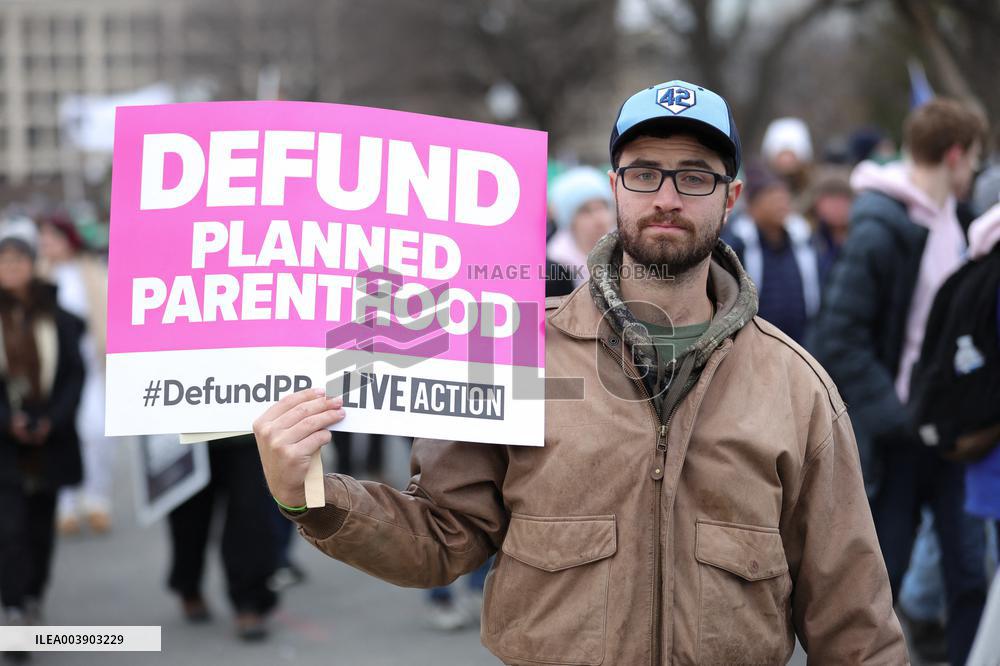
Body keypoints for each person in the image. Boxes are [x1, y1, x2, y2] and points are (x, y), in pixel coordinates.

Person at [253, 79, 906, 664]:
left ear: (731, 195)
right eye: (644, 173)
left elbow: (854, 623)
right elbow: (441, 539)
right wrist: (308, 495)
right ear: (614, 183)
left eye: (695, 176)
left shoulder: (797, 388)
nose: (668, 197)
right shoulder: (514, 351)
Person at [810, 97, 989, 665]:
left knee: (969, 578)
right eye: (976, 159)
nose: (977, 173)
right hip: (897, 442)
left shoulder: (955, 223)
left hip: (950, 438)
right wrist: (900, 421)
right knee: (879, 584)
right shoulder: (880, 229)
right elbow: (839, 340)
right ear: (956, 156)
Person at [0, 219, 84, 663]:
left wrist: (55, 419)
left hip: (49, 438)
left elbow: (74, 371)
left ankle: (32, 597)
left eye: (19, 260)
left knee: (39, 527)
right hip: (5, 442)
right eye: (4, 260)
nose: (11, 268)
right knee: (9, 528)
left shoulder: (58, 315)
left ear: (33, 266)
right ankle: (14, 608)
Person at [35, 214, 114, 536]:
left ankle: (97, 500)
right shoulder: (38, 276)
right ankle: (64, 505)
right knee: (59, 433)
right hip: (52, 370)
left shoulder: (94, 272)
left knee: (96, 432)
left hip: (92, 364)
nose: (47, 244)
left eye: (52, 237)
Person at [165, 434, 279, 642]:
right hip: (186, 433)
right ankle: (188, 586)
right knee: (188, 521)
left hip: (245, 432)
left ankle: (249, 601)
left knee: (250, 515)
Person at [723, 162, 821, 345]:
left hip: (801, 344)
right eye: (772, 198)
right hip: (752, 345)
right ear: (752, 206)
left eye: (784, 198)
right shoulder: (737, 245)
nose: (781, 204)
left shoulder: (803, 241)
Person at [545, 166, 615, 287]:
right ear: (570, 221)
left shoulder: (628, 250)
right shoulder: (554, 264)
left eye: (602, 206)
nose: (599, 218)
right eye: (585, 211)